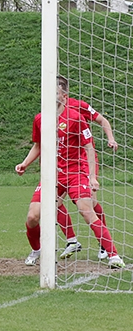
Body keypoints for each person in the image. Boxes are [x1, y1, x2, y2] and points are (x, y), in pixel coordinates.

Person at [15, 77, 124, 269]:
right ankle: (39, 250)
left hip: (75, 171)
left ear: (64, 96)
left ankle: (112, 255)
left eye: (55, 93)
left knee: (86, 209)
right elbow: (38, 145)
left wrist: (92, 177)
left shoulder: (76, 116)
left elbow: (89, 147)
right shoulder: (40, 119)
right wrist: (24, 164)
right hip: (52, 174)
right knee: (33, 216)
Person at [54, 80, 119, 260]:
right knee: (53, 202)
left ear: (64, 93)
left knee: (90, 201)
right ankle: (71, 240)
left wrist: (111, 138)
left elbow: (102, 120)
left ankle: (104, 246)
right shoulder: (48, 111)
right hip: (63, 162)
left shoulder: (78, 106)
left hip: (84, 161)